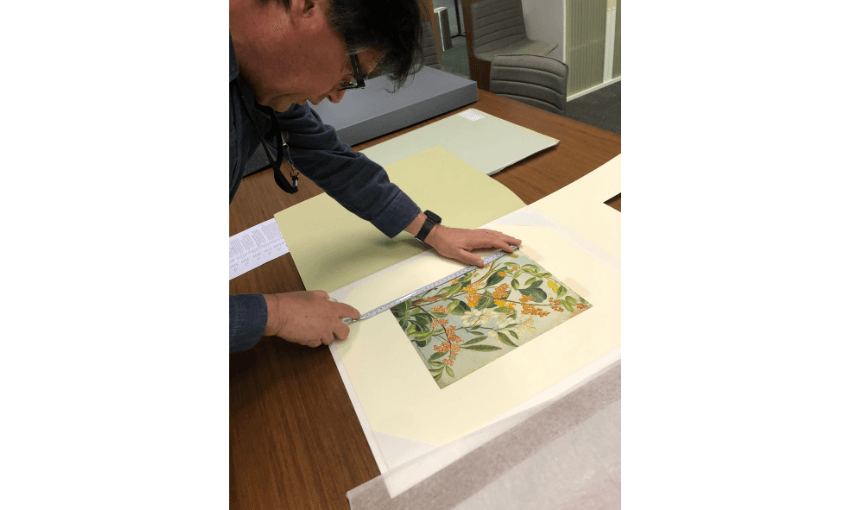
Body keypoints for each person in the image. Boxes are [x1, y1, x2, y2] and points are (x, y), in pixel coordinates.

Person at [229, 0, 521, 353]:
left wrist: (431, 230)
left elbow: (334, 161)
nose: (336, 97)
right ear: (305, 5)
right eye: (348, 71)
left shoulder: (262, 82)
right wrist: (272, 314)